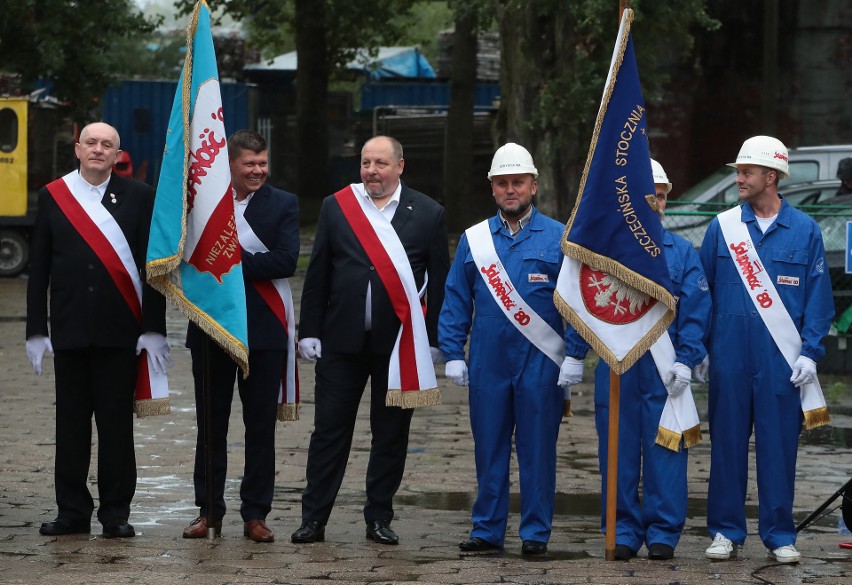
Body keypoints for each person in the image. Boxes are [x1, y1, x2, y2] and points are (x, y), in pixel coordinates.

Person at [291, 135, 450, 546]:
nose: (371, 171)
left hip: (398, 347)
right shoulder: (337, 206)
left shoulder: (429, 213)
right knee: (328, 432)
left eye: (380, 163)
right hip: (340, 343)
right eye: (365, 163)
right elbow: (319, 274)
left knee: (391, 433)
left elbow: (441, 284)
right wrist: (308, 329)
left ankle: (379, 516)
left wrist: (434, 341)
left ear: (400, 166)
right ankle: (314, 519)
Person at [25, 122, 170, 538]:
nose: (98, 149)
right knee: (69, 427)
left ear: (116, 154)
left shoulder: (140, 196)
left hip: (119, 331)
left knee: (115, 429)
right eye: (91, 142)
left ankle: (115, 513)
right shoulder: (54, 195)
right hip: (69, 330)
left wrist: (153, 327)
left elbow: (152, 268)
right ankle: (71, 511)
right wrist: (36, 329)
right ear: (77, 148)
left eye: (107, 145)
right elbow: (38, 270)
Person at [562, 159, 711, 561]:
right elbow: (586, 305)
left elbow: (696, 310)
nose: (655, 203)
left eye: (660, 196)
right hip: (617, 367)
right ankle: (622, 528)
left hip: (665, 373)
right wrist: (574, 354)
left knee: (666, 452)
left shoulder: (681, 253)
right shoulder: (605, 253)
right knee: (618, 453)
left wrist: (687, 358)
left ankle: (664, 531)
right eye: (648, 197)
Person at [701, 136, 834, 564]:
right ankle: (725, 530)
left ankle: (779, 534)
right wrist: (699, 350)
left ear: (770, 177)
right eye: (738, 171)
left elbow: (819, 299)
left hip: (781, 361)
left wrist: (811, 353)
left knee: (779, 449)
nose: (738, 179)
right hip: (729, 358)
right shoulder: (721, 228)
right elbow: (701, 294)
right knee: (726, 446)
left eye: (746, 172)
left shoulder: (805, 230)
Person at [438, 142, 574, 556]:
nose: (510, 190)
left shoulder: (561, 237)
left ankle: (535, 534)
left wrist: (575, 353)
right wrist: (452, 353)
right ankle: (486, 529)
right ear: (492, 188)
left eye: (518, 182)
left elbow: (578, 301)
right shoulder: (473, 240)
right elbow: (456, 298)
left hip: (541, 362)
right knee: (489, 448)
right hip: (488, 361)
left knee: (537, 452)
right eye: (502, 183)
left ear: (533, 185)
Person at [182, 130, 300, 543]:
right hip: (212, 330)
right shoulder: (203, 205)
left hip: (264, 331)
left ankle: (256, 514)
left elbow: (286, 260)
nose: (258, 171)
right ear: (230, 164)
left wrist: (228, 261)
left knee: (259, 428)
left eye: (263, 163)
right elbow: (190, 260)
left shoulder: (284, 203)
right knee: (210, 427)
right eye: (249, 164)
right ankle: (208, 511)